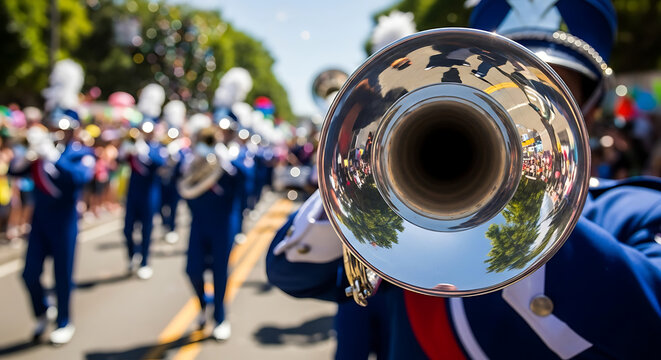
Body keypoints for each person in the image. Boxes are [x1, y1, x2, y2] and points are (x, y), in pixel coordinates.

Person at [266, 1, 661, 359]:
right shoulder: (418, 226)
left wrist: (539, 223)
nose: (514, 108)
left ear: (585, 113)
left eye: (542, 98)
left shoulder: (634, 212)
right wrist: (359, 188)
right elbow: (293, 273)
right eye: (500, 85)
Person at [13, 110, 95, 345]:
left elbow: (79, 178)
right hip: (39, 221)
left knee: (62, 275)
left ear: (74, 130)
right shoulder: (42, 152)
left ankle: (64, 321)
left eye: (64, 127)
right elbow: (15, 172)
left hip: (64, 221)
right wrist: (25, 155)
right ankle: (42, 312)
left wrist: (53, 158)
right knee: (29, 273)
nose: (58, 131)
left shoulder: (82, 153)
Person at [178, 114, 243, 341]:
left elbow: (248, 180)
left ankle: (221, 317)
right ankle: (204, 304)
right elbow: (180, 186)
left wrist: (228, 164)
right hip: (199, 222)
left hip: (224, 223)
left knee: (220, 272)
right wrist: (191, 163)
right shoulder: (196, 158)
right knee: (192, 270)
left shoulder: (235, 157)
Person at [121, 83, 167, 280]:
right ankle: (133, 255)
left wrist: (145, 152)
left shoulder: (156, 148)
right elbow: (118, 161)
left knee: (147, 229)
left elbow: (160, 163)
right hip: (132, 193)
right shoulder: (133, 144)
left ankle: (146, 261)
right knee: (127, 230)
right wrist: (125, 150)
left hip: (150, 193)